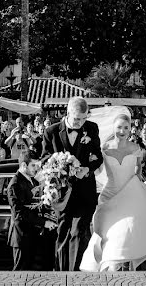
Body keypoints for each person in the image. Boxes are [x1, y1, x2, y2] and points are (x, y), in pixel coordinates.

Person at [79, 112, 146, 271]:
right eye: (119, 127)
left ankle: (123, 267)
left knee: (126, 232)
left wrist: (140, 189)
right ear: (114, 128)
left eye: (126, 127)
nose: (122, 131)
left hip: (130, 193)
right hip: (110, 194)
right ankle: (109, 265)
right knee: (108, 232)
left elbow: (138, 172)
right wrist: (85, 167)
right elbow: (97, 170)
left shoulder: (136, 148)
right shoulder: (104, 147)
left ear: (131, 129)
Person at [43, 96, 104, 272]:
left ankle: (75, 275)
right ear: (68, 113)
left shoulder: (92, 129)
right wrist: (60, 161)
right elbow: (45, 159)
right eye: (77, 119)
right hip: (62, 193)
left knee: (79, 232)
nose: (81, 123)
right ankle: (62, 275)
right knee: (62, 233)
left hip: (85, 191)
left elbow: (98, 157)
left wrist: (88, 168)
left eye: (84, 118)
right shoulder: (51, 132)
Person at [7, 151, 48, 270]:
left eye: (37, 165)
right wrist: (44, 223)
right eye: (33, 165)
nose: (36, 169)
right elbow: (20, 213)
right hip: (21, 236)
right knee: (20, 272)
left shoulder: (32, 180)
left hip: (31, 234)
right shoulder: (15, 184)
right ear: (24, 165)